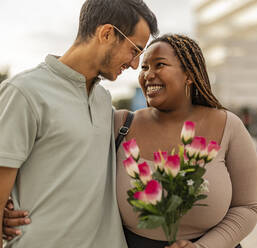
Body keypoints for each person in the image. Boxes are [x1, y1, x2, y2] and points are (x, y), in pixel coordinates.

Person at [4, 34, 257, 248]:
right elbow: (58, 154)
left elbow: (247, 207)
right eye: (145, 67)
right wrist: (8, 202)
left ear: (189, 75)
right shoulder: (118, 124)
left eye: (159, 65)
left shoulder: (229, 126)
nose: (148, 74)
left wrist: (204, 247)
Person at [0, 0, 158, 247]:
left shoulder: (104, 101)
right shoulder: (23, 93)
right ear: (107, 33)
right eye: (134, 50)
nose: (135, 64)